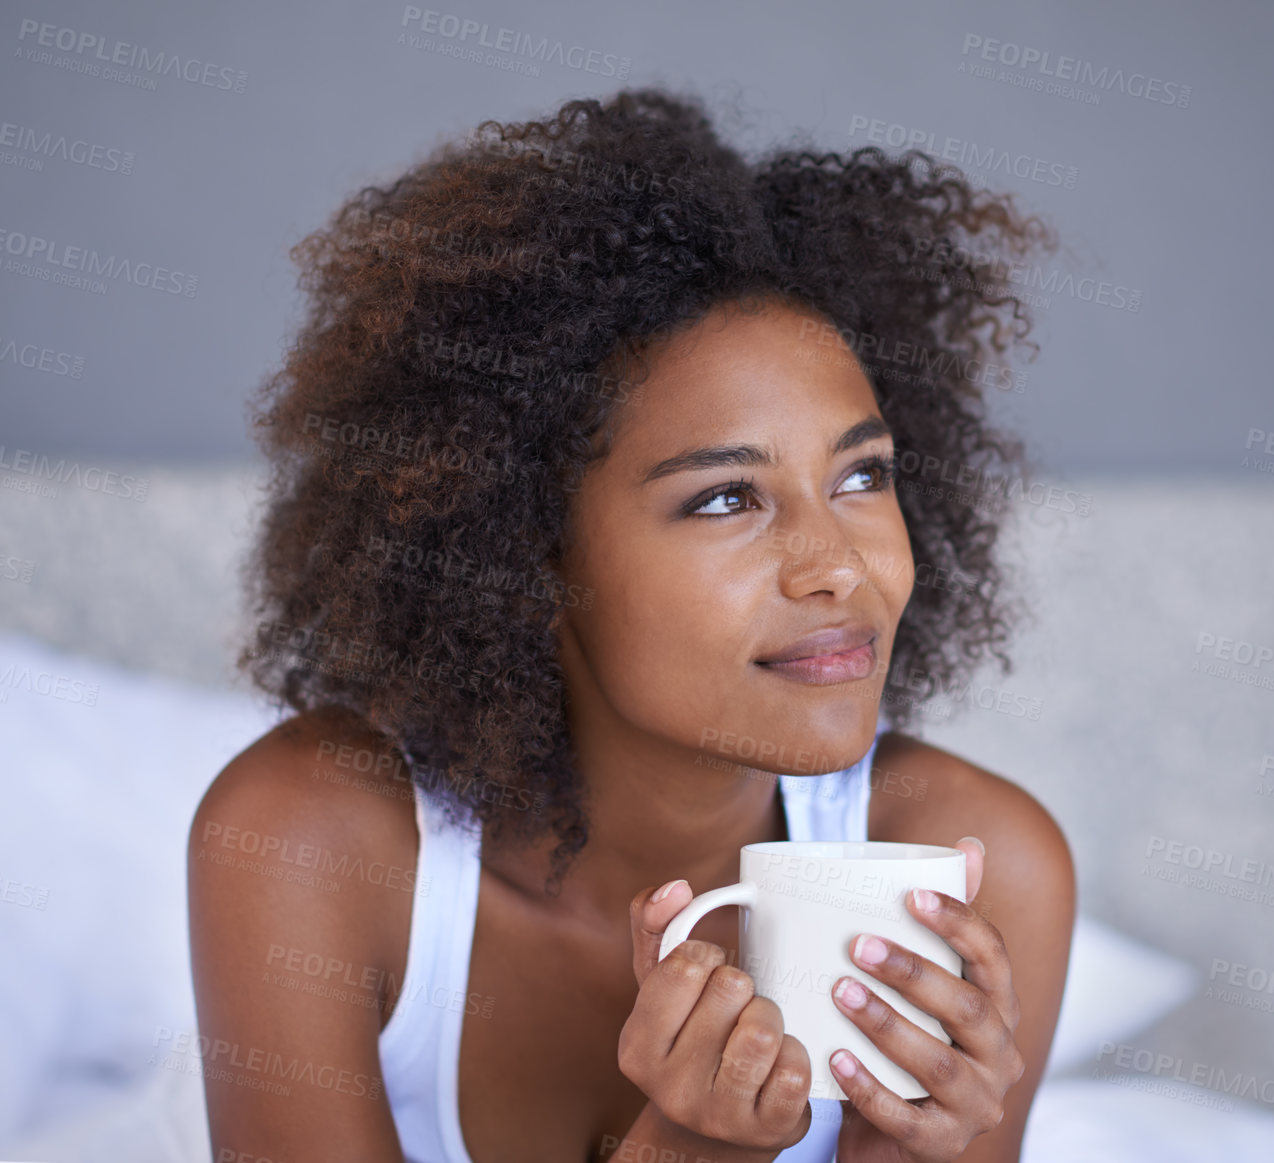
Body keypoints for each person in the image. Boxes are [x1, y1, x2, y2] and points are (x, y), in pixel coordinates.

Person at [188, 86, 1076, 1163]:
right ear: (524, 551)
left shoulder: (974, 865)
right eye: (724, 498)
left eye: (861, 474)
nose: (840, 565)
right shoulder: (318, 841)